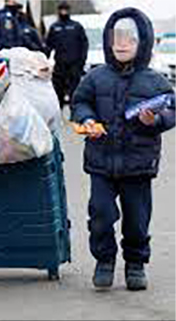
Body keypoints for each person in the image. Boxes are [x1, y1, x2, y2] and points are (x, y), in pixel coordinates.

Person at [71, 8, 175, 291]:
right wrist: (86, 119)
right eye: (116, 37)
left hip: (139, 164)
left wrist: (156, 120)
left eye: (129, 38)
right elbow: (80, 102)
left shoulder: (156, 81)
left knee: (137, 219)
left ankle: (135, 263)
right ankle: (104, 260)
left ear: (143, 42)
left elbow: (171, 112)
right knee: (101, 215)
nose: (121, 44)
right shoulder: (95, 77)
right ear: (107, 40)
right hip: (101, 162)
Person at [45, 1, 88, 109]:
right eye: (61, 10)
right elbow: (48, 46)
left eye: (65, 10)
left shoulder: (76, 27)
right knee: (58, 92)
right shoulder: (54, 28)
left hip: (74, 65)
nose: (63, 12)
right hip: (60, 66)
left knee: (75, 92)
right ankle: (58, 115)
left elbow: (84, 44)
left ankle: (75, 115)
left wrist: (81, 62)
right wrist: (44, 61)